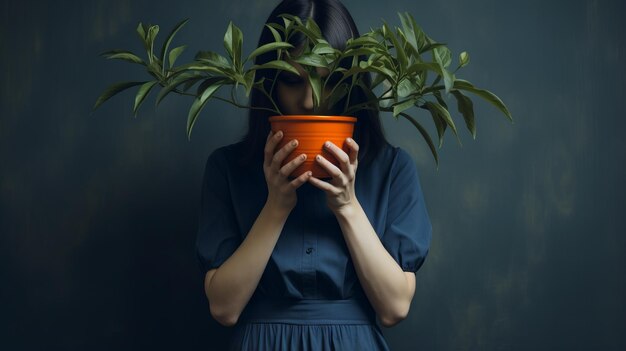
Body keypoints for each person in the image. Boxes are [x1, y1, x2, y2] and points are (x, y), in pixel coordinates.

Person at [195, 0, 432, 349]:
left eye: (329, 81)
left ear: (353, 85)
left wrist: (347, 205)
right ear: (268, 84)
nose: (309, 101)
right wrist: (276, 205)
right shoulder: (228, 168)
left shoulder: (391, 168)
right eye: (292, 81)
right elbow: (224, 307)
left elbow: (394, 307)